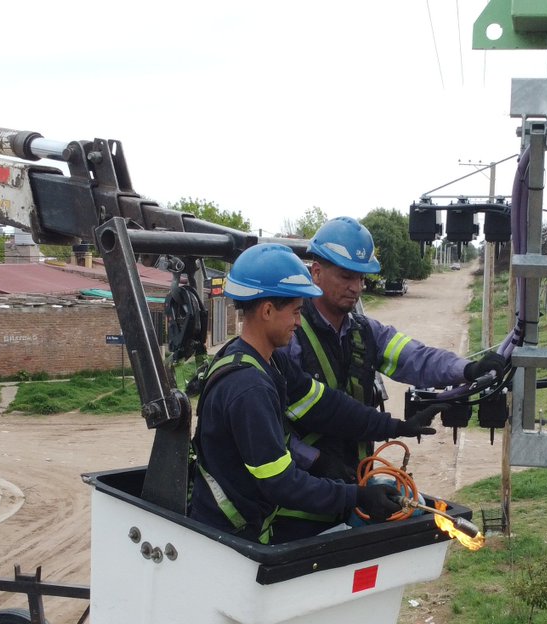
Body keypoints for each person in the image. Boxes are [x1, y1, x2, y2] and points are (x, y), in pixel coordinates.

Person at [187, 243, 444, 544]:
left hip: (246, 529)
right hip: (226, 540)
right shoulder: (248, 388)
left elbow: (328, 406)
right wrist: (357, 496)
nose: (299, 322)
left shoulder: (268, 360)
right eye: (296, 312)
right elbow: (282, 483)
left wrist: (395, 426)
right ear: (268, 311)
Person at [285, 216, 508, 481]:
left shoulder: (365, 332)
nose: (356, 287)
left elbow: (417, 359)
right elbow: (265, 427)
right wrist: (315, 462)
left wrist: (469, 369)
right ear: (317, 273)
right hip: (301, 495)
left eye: (361, 278)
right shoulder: (288, 336)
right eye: (346, 276)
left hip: (357, 483)